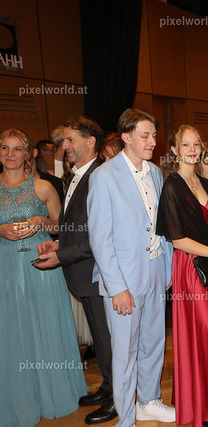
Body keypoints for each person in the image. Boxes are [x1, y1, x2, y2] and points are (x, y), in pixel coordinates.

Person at [87, 109, 175, 426]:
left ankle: (149, 401)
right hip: (123, 279)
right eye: (145, 136)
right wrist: (117, 288)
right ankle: (125, 419)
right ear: (126, 137)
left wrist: (166, 269)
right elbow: (100, 239)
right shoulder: (104, 176)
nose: (152, 142)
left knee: (154, 342)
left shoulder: (156, 173)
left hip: (155, 271)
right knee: (125, 352)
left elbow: (163, 226)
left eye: (154, 136)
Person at [157, 125, 208, 427]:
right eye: (186, 145)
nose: (193, 150)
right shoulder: (172, 186)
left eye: (196, 145)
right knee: (203, 331)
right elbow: (178, 240)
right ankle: (203, 404)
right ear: (174, 150)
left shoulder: (204, 181)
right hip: (192, 267)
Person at [0, 128, 85, 427]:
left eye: (17, 149)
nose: (10, 154)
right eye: (4, 148)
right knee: (12, 331)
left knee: (45, 325)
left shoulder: (43, 187)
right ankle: (17, 399)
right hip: (6, 269)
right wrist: (0, 229)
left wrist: (41, 222)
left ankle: (53, 393)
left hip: (40, 267)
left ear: (28, 154)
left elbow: (62, 227)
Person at [35, 117, 117, 425]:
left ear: (90, 142)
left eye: (70, 140)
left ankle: (119, 398)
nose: (64, 146)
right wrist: (59, 244)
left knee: (109, 341)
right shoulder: (78, 175)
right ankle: (109, 387)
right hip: (83, 271)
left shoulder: (100, 176)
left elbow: (101, 236)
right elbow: (78, 225)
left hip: (98, 273)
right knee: (100, 339)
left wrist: (61, 256)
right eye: (64, 140)